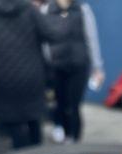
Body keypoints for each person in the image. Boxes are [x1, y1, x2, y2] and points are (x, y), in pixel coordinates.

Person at [0, 0, 61, 149]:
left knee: (11, 123)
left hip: (0, 77)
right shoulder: (29, 9)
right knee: (33, 119)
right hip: (31, 76)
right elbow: (53, 35)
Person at [44, 0, 104, 143]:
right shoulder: (46, 10)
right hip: (56, 67)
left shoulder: (83, 9)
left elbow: (91, 38)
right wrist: (47, 61)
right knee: (59, 102)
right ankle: (62, 131)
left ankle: (74, 139)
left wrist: (98, 67)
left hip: (78, 65)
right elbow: (43, 41)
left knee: (73, 105)